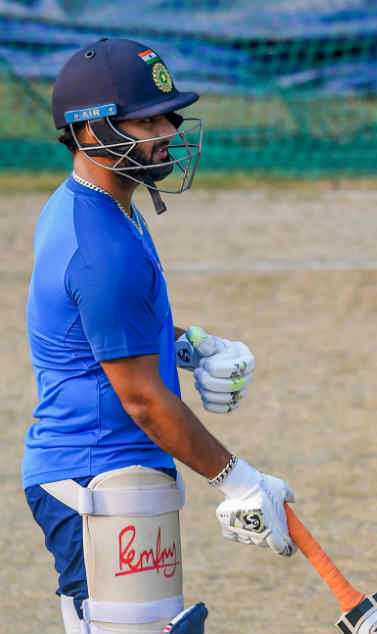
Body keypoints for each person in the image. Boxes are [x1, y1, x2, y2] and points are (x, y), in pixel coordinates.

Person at [24, 38, 297, 634]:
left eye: (167, 114)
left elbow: (106, 331)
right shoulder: (101, 247)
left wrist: (190, 345)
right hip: (98, 476)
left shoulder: (103, 206)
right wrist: (238, 480)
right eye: (146, 119)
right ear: (92, 131)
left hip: (113, 471)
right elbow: (144, 399)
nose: (169, 129)